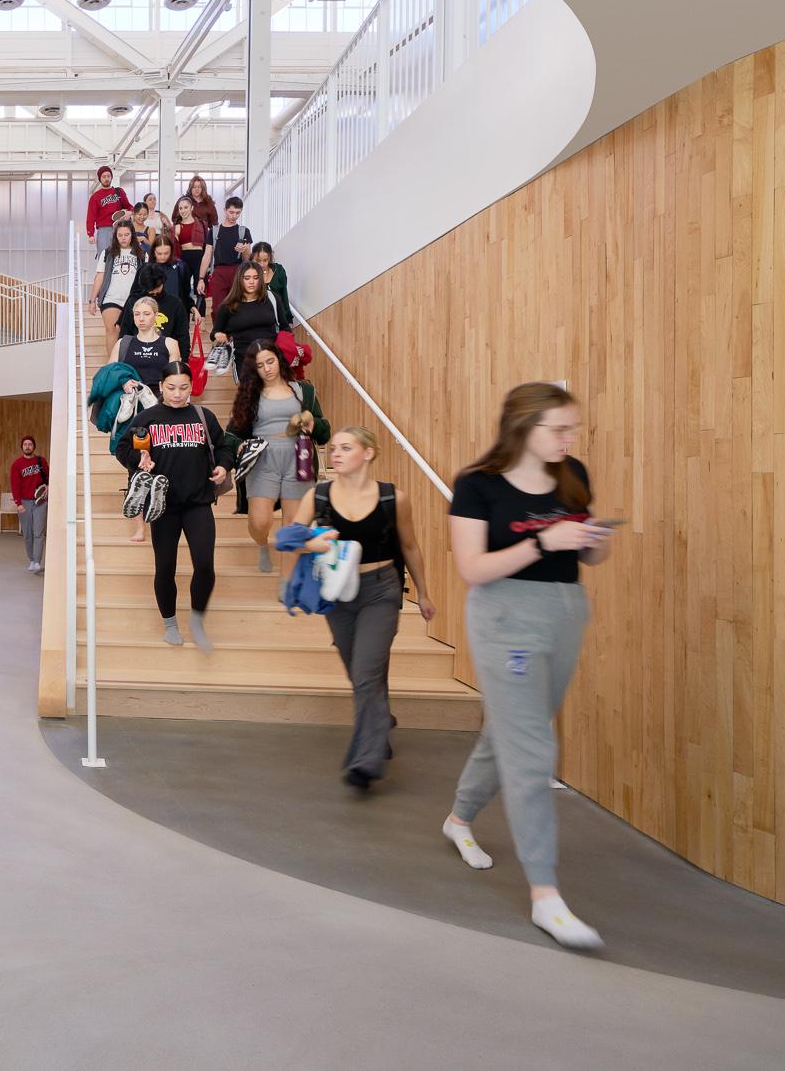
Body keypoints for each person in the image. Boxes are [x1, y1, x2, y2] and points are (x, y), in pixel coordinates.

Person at [443, 382, 614, 951]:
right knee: (534, 749)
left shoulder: (573, 474)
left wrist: (590, 542)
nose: (569, 438)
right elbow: (473, 568)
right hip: (504, 619)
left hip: (564, 611)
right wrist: (545, 541)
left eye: (573, 428)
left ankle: (460, 818)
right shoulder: (477, 486)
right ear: (523, 428)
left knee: (510, 733)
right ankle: (546, 896)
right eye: (558, 429)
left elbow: (588, 554)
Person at [290, 427, 435, 788]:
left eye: (345, 447)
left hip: (380, 590)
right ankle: (380, 723)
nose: (335, 454)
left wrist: (425, 593)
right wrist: (313, 545)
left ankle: (365, 760)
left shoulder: (392, 498)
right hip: (337, 593)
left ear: (368, 453)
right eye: (333, 448)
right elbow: (290, 537)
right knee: (359, 670)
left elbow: (411, 547)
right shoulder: (318, 496)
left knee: (367, 671)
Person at [115, 366, 232, 648]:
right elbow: (122, 448)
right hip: (162, 505)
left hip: (198, 503)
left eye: (183, 387)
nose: (177, 394)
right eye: (171, 388)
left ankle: (197, 619)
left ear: (191, 386)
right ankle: (170, 623)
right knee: (165, 568)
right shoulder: (148, 417)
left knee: (205, 565)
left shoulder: (203, 416)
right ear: (161, 387)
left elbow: (225, 446)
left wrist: (223, 466)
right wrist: (138, 459)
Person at [225, 340, 330, 572]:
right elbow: (231, 434)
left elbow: (324, 430)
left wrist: (313, 424)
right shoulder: (249, 395)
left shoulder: (303, 390)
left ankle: (287, 580)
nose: (267, 368)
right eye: (260, 365)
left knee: (293, 525)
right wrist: (240, 447)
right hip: (263, 459)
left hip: (298, 457)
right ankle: (262, 544)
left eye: (270, 361)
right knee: (259, 521)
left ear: (279, 360)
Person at [110, 293, 184, 545]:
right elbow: (109, 374)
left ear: (156, 316)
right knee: (137, 466)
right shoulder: (124, 343)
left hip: (163, 409)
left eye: (146, 313)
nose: (141, 319)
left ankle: (164, 517)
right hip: (135, 412)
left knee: (165, 462)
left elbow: (178, 379)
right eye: (137, 314)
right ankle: (139, 527)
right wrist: (123, 382)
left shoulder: (170, 343)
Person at [208, 263, 282, 375]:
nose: (251, 282)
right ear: (239, 279)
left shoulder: (272, 299)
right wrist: (218, 335)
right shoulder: (227, 306)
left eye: (256, 278)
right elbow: (214, 332)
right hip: (245, 363)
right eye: (247, 278)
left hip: (272, 360)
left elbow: (285, 327)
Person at [91, 220, 145, 348]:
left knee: (128, 335)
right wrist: (92, 300)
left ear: (132, 235)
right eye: (120, 235)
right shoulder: (107, 253)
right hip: (111, 298)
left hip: (132, 300)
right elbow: (100, 276)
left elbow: (145, 277)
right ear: (115, 236)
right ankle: (112, 366)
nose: (123, 238)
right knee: (112, 329)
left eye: (126, 234)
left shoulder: (141, 254)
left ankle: (124, 364)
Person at [200, 195, 253, 312]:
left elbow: (248, 260)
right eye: (231, 212)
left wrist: (244, 250)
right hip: (218, 272)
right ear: (225, 210)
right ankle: (219, 330)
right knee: (218, 307)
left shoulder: (244, 231)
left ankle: (235, 330)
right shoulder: (214, 231)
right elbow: (207, 256)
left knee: (238, 306)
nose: (234, 216)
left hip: (238, 271)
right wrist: (200, 278)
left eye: (237, 213)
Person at [141, 232, 190, 354]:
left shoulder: (180, 266)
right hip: (151, 312)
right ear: (153, 252)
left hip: (175, 312)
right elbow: (136, 293)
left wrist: (193, 307)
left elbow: (185, 292)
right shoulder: (146, 269)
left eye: (166, 253)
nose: (163, 257)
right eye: (159, 253)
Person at [9, 435, 49, 573]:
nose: (27, 446)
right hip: (24, 503)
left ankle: (37, 562)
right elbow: (15, 486)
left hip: (40, 502)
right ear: (22, 447)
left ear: (34, 446)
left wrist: (48, 486)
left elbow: (49, 477)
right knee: (28, 534)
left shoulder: (41, 461)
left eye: (30, 444)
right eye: (25, 444)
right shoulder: (17, 464)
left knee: (39, 532)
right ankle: (31, 559)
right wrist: (18, 503)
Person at [172, 196, 207, 310]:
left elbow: (207, 245)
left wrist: (208, 263)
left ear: (192, 208)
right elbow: (174, 249)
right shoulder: (176, 227)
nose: (183, 210)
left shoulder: (202, 224)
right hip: (184, 258)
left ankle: (201, 322)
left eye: (186, 207)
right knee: (184, 289)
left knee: (200, 289)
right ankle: (184, 319)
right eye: (180, 208)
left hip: (199, 258)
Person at [250, 241, 293, 328]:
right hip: (257, 320)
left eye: (265, 260)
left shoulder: (279, 270)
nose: (262, 264)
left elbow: (284, 295)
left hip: (278, 318)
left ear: (270, 257)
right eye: (258, 261)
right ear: (253, 258)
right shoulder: (249, 273)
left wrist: (288, 319)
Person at [84, 163, 130, 241]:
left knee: (119, 253)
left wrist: (130, 212)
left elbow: (129, 206)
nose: (106, 179)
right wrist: (90, 234)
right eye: (104, 176)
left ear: (111, 177)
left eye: (108, 176)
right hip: (103, 230)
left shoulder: (119, 192)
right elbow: (91, 216)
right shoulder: (95, 197)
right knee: (103, 253)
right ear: (100, 179)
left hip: (119, 228)